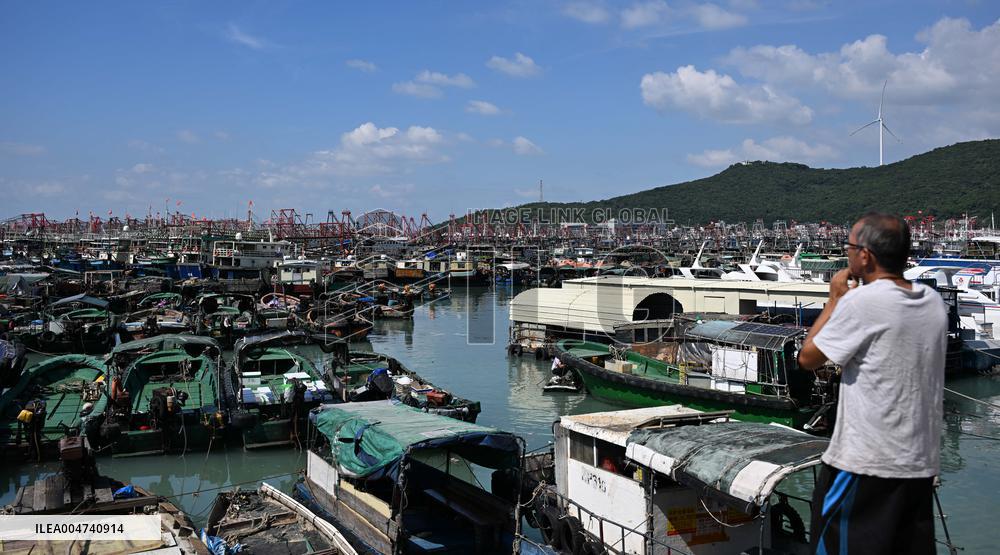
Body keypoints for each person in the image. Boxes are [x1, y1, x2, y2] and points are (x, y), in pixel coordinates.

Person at [797, 213, 947, 555]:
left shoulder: (860, 303)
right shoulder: (932, 302)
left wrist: (835, 298)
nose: (847, 254)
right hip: (919, 466)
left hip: (864, 465)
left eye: (849, 247)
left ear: (865, 255)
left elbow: (808, 358)